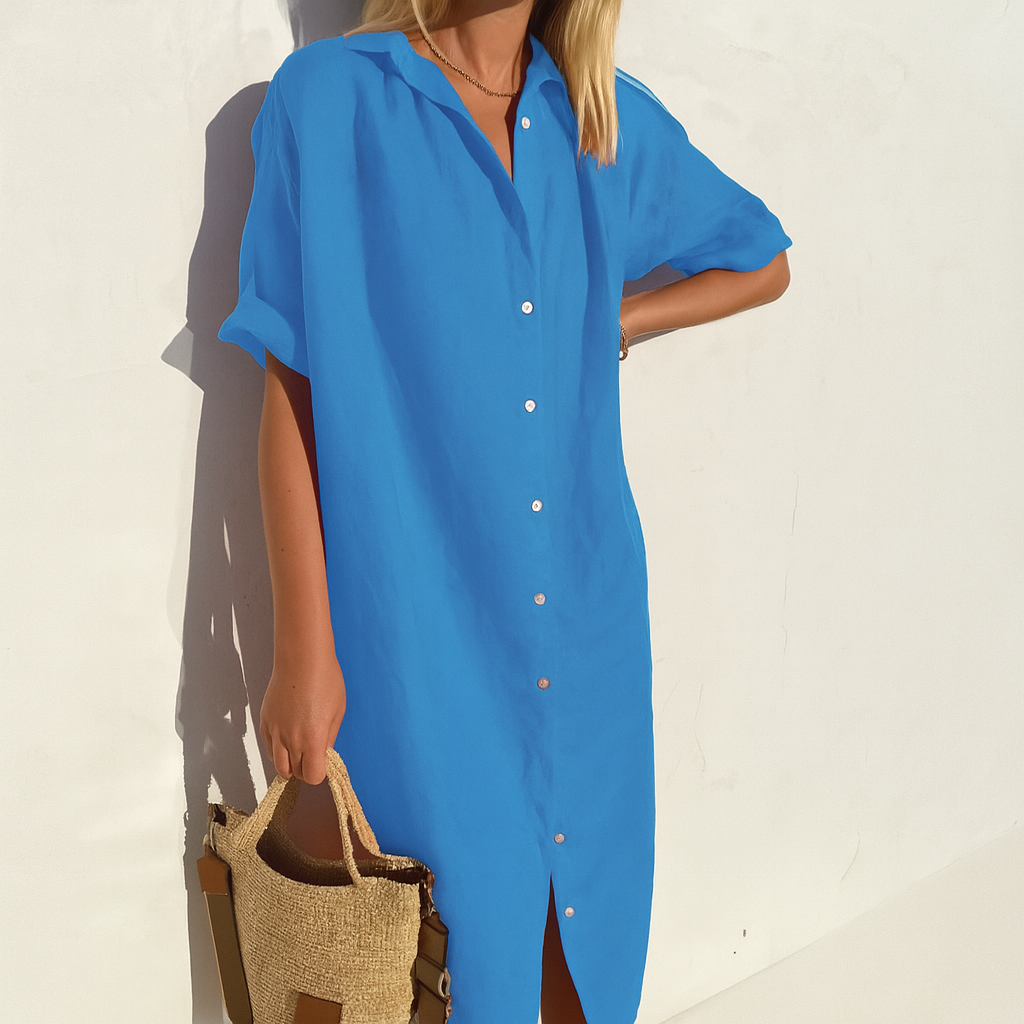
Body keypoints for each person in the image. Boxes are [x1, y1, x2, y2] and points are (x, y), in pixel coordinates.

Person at [218, 0, 791, 1021]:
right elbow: (289, 386)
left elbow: (762, 260)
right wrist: (303, 649)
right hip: (419, 644)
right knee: (445, 959)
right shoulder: (331, 101)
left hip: (588, 631)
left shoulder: (601, 121)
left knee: (586, 952)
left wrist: (618, 319)